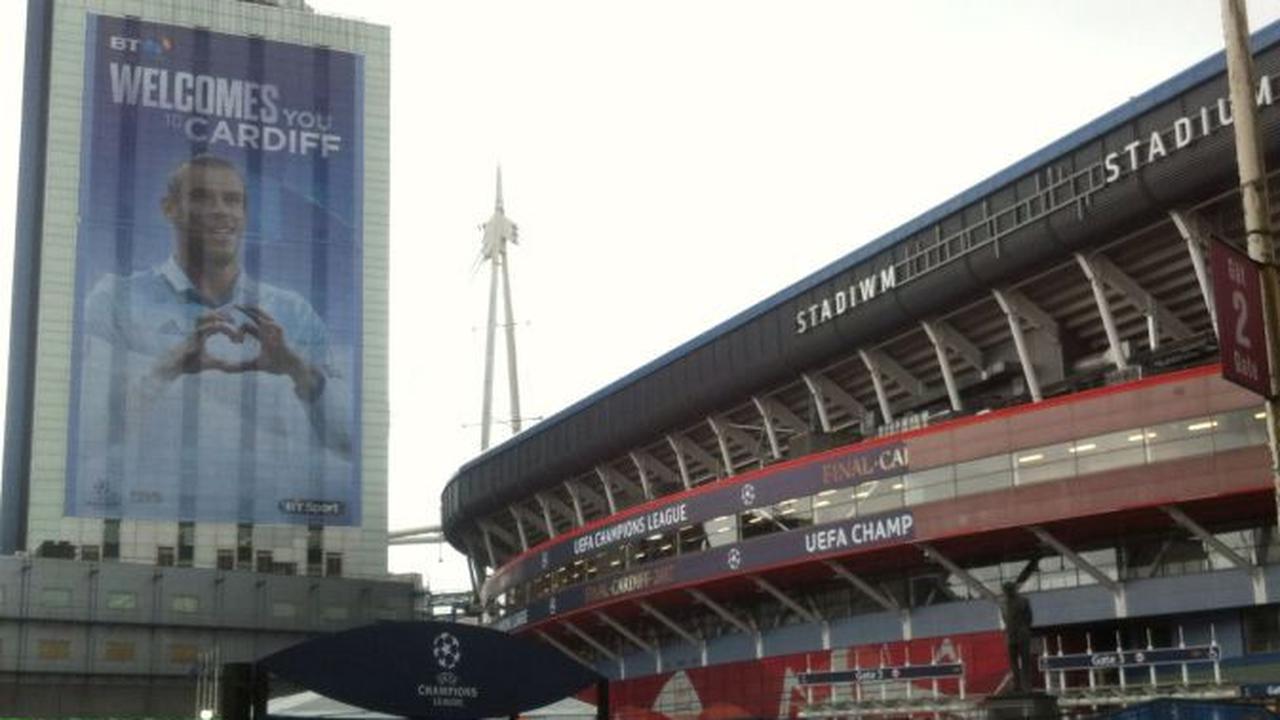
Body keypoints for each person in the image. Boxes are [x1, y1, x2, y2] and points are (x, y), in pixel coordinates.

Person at [71, 154, 354, 523]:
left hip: (271, 531)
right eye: (203, 198)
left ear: (246, 214)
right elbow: (82, 436)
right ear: (169, 208)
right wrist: (164, 370)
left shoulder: (293, 313)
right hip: (144, 522)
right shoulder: (115, 301)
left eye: (232, 200)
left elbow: (349, 444)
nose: (222, 211)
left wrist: (298, 369)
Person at [1000, 581, 1036, 693]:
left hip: (1021, 635)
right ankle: (1017, 686)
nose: (1006, 592)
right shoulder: (1003, 604)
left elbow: (1029, 619)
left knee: (1025, 662)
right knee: (1014, 663)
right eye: (1005, 590)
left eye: (1007, 590)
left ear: (1012, 589)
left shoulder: (1024, 601)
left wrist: (1023, 629)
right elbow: (1005, 620)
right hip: (1011, 636)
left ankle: (1026, 686)